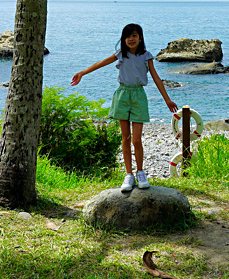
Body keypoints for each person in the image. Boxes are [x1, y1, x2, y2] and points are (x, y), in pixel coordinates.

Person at [71, 23, 177, 192]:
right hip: (122, 95)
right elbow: (101, 63)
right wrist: (83, 72)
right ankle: (129, 174)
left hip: (138, 96)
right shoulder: (121, 54)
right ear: (124, 39)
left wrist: (167, 100)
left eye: (134, 35)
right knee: (126, 138)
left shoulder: (146, 56)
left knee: (136, 139)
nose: (131, 39)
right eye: (128, 36)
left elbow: (156, 78)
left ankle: (140, 172)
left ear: (140, 38)